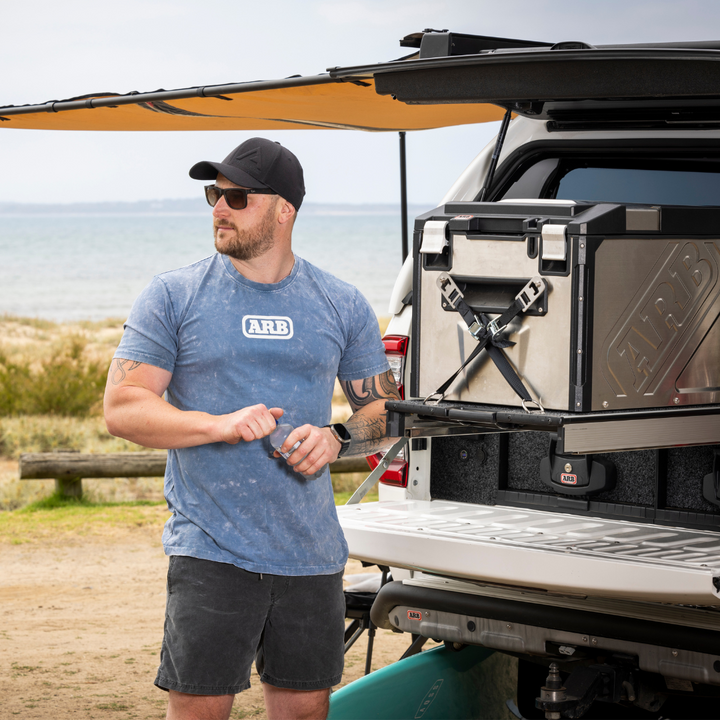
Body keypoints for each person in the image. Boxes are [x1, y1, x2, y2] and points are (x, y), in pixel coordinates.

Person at [103, 137, 400, 720]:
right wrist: (217, 424)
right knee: (200, 712)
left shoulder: (340, 302)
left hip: (311, 555)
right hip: (212, 549)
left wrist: (336, 438)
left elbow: (385, 414)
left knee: (304, 711)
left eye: (237, 196)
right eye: (214, 194)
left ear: (284, 209)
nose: (218, 207)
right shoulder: (174, 295)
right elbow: (123, 406)